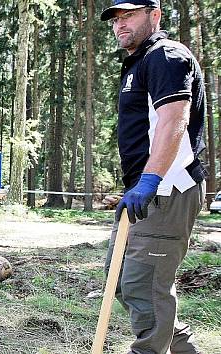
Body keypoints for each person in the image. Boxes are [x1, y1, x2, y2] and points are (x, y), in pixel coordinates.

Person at [100, 1, 206, 353]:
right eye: (115, 19)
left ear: (155, 15)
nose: (120, 25)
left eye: (128, 15)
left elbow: (173, 120)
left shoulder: (167, 56)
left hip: (168, 188)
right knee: (120, 280)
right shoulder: (139, 62)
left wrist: (150, 181)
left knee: (143, 287)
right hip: (145, 191)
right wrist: (138, 185)